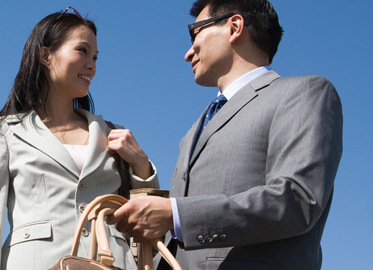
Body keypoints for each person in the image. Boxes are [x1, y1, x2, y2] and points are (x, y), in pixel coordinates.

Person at [107, 0, 343, 272]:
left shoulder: (304, 93)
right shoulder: (192, 132)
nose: (187, 53)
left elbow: (298, 200)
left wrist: (176, 215)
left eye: (195, 32)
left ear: (234, 27)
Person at [0, 7, 159, 272]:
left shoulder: (113, 133)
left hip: (111, 265)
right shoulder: (4, 131)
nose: (91, 64)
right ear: (46, 55)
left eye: (95, 57)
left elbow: (147, 214)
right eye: (81, 51)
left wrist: (141, 165)